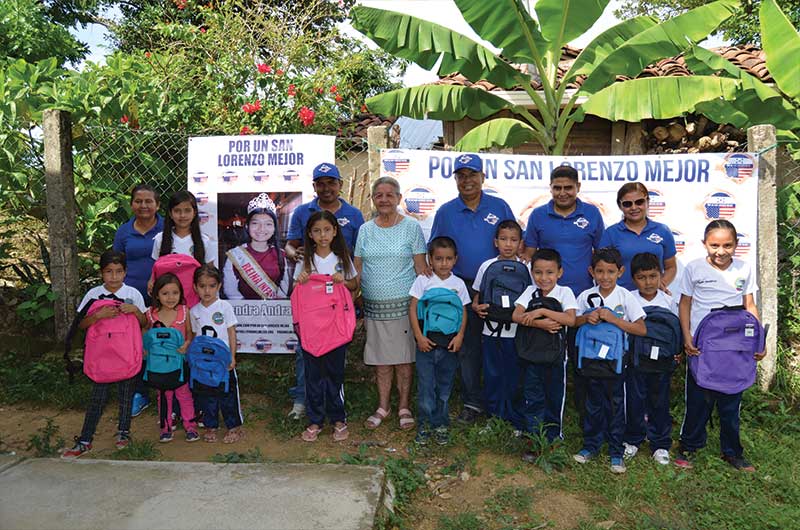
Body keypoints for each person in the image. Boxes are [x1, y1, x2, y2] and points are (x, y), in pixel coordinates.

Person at [429, 153, 515, 424]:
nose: (467, 180)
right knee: (467, 347)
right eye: (462, 175)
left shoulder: (499, 206)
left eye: (472, 175)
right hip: (460, 287)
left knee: (498, 345)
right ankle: (472, 402)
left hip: (495, 286)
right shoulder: (446, 211)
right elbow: (435, 250)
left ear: (482, 178)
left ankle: (500, 401)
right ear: (456, 180)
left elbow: (513, 242)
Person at [675, 220, 763, 472]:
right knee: (698, 401)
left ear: (736, 245)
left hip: (735, 348)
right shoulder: (693, 269)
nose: (720, 251)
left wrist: (758, 340)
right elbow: (685, 304)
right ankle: (689, 447)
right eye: (714, 245)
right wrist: (687, 337)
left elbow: (750, 306)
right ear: (705, 244)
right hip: (702, 347)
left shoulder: (744, 269)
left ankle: (733, 452)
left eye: (727, 245)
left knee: (730, 404)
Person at [522, 164, 604, 429]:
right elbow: (529, 253)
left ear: (578, 188)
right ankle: (543, 411)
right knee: (548, 359)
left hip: (580, 299)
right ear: (551, 188)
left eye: (568, 187)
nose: (563, 192)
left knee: (581, 357)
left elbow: (599, 253)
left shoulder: (591, 214)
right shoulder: (538, 216)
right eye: (557, 187)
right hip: (547, 298)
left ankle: (581, 410)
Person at [285, 162, 365, 420]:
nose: (326, 187)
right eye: (321, 183)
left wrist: (347, 283)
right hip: (311, 310)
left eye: (331, 182)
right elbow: (290, 246)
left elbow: (357, 260)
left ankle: (335, 408)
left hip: (337, 305)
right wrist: (297, 257)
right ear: (314, 186)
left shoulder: (354, 215)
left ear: (340, 184)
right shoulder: (301, 212)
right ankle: (303, 400)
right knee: (305, 353)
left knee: (334, 357)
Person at [354, 176, 427, 431]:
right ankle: (383, 406)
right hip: (374, 308)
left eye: (389, 194)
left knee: (404, 360)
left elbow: (421, 268)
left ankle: (404, 406)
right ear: (373, 199)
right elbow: (358, 269)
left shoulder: (411, 228)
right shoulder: (365, 230)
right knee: (381, 360)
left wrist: (426, 302)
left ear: (398, 199)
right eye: (379, 195)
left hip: (404, 306)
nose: (384, 199)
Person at [61, 250, 147, 458]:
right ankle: (85, 438)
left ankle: (124, 432)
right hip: (102, 356)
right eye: (109, 272)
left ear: (125, 272)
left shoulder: (133, 294)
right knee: (97, 398)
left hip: (126, 354)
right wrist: (98, 316)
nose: (114, 276)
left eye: (119, 271)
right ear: (102, 273)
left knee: (126, 395)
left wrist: (134, 311)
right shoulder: (93, 294)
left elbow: (145, 323)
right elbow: (80, 324)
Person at [573, 247, 646, 474]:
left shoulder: (626, 297)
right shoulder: (586, 296)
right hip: (590, 362)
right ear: (591, 271)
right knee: (592, 404)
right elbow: (573, 322)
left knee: (616, 406)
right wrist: (587, 318)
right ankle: (590, 446)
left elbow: (641, 328)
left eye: (610, 272)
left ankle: (616, 452)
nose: (605, 277)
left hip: (616, 365)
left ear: (620, 272)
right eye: (600, 271)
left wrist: (614, 320)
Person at [294, 211, 359, 442]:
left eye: (327, 230)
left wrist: (344, 281)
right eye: (317, 231)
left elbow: (354, 283)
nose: (323, 235)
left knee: (335, 374)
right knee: (313, 376)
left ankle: (339, 419)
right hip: (312, 331)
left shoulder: (342, 259)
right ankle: (315, 420)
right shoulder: (305, 262)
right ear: (310, 235)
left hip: (336, 329)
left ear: (335, 231)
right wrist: (301, 280)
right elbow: (296, 293)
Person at [512, 248, 577, 448]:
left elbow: (571, 319)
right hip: (531, 355)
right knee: (533, 395)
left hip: (556, 357)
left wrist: (541, 310)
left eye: (550, 272)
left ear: (560, 273)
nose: (544, 278)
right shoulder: (529, 292)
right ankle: (534, 436)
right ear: (532, 272)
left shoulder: (564, 292)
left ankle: (553, 435)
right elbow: (516, 316)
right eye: (538, 272)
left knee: (554, 396)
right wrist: (540, 323)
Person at [408, 237, 470, 446]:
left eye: (448, 259)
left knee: (444, 388)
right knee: (426, 387)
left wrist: (460, 336)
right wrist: (419, 336)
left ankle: (441, 424)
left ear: (455, 260)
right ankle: (424, 425)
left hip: (450, 346)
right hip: (426, 345)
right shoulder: (423, 281)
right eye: (439, 259)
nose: (444, 263)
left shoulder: (458, 284)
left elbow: (463, 312)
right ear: (430, 260)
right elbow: (413, 308)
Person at [623, 252, 678, 465]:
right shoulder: (628, 298)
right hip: (635, 361)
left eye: (653, 276)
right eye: (642, 277)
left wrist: (677, 351)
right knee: (635, 400)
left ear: (661, 275)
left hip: (662, 363)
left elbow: (675, 329)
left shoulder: (668, 300)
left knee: (660, 402)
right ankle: (633, 439)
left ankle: (660, 444)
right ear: (633, 279)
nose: (648, 282)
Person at [113, 184, 163, 417]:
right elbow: (116, 264)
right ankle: (139, 393)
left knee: (162, 340)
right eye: (138, 201)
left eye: (148, 201)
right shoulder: (123, 232)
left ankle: (167, 390)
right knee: (135, 344)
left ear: (157, 205)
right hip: (131, 296)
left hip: (164, 296)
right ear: (132, 204)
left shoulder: (167, 228)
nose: (143, 206)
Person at [471, 220, 528, 426]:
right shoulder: (487, 266)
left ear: (521, 243)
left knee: (515, 377)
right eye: (503, 239)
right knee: (492, 375)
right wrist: (477, 308)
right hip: (491, 332)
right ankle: (494, 417)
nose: (508, 244)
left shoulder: (527, 268)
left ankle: (515, 419)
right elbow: (477, 297)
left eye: (513, 240)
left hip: (516, 333)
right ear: (496, 242)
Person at [189, 264, 244, 444]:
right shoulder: (194, 311)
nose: (207, 290)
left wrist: (232, 356)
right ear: (195, 287)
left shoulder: (224, 307)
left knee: (227, 395)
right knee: (206, 395)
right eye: (202, 286)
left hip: (223, 362)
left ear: (219, 286)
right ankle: (211, 425)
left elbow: (231, 332)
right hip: (204, 364)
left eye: (212, 286)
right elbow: (194, 339)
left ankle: (234, 426)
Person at [144, 273, 199, 443]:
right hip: (159, 366)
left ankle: (190, 425)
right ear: (157, 295)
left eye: (175, 293)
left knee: (184, 394)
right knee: (163, 396)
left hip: (179, 364)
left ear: (181, 293)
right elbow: (146, 335)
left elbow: (191, 334)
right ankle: (165, 427)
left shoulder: (184, 311)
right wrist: (146, 351)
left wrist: (187, 344)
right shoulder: (151, 314)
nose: (170, 297)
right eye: (165, 293)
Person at [599, 182, 677, 292]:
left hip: (652, 298)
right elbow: (602, 269)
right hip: (621, 298)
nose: (634, 207)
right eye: (627, 204)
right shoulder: (610, 233)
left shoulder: (663, 231)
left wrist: (661, 284)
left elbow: (671, 267)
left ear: (647, 202)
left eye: (639, 202)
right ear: (620, 206)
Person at [223, 193, 290, 299]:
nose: (261, 229)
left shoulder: (280, 254)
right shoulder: (235, 255)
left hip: (273, 311)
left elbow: (284, 287)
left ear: (274, 229)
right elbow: (230, 290)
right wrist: (249, 309)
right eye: (255, 223)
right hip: (243, 311)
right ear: (247, 226)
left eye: (268, 224)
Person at [151, 190, 215, 265]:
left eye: (187, 210)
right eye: (177, 211)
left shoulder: (204, 241)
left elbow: (210, 272)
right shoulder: (160, 239)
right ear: (170, 214)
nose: (182, 215)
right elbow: (155, 271)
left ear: (194, 213)